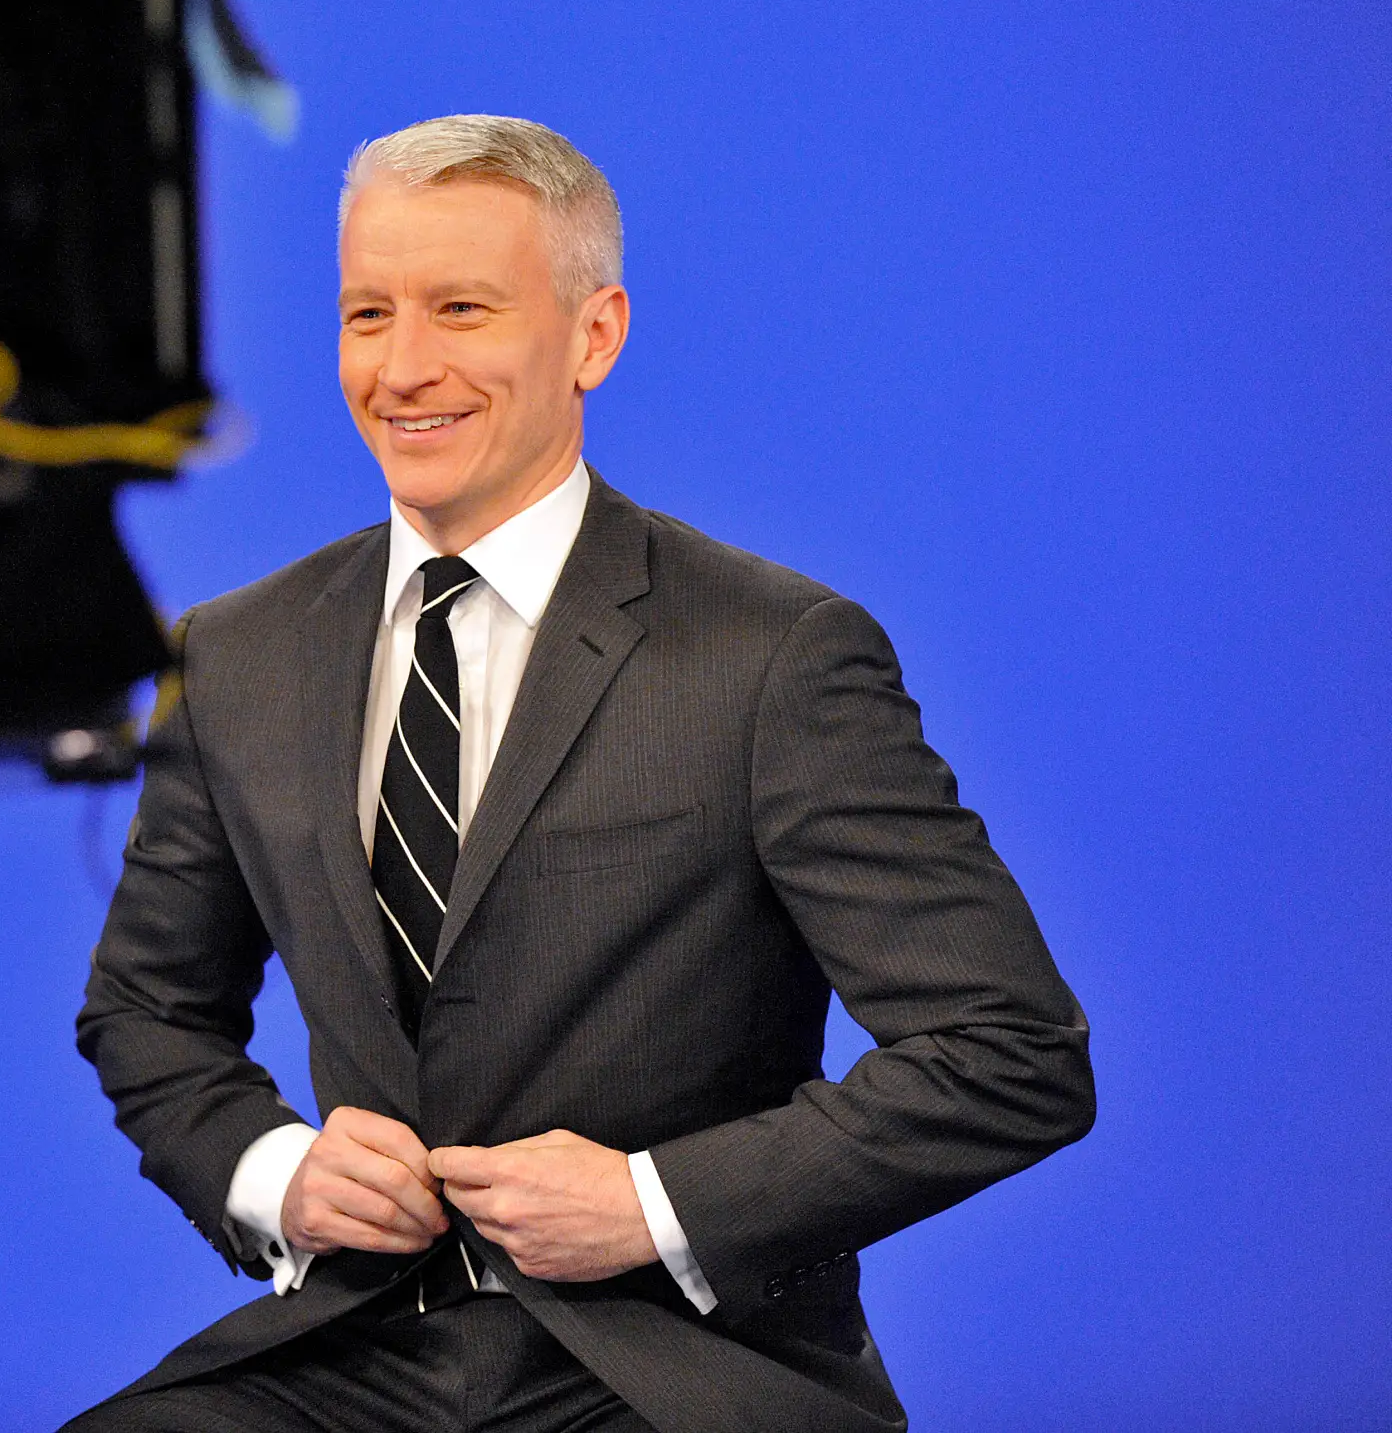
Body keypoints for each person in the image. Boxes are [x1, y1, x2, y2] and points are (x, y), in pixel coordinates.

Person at [66, 114, 1093, 1433]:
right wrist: (274, 1172)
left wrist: (648, 1203)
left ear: (593, 335)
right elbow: (146, 1009)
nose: (404, 365)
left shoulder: (775, 655)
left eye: (462, 309)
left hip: (672, 1368)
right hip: (352, 1341)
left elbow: (1009, 1050)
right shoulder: (236, 653)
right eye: (367, 312)